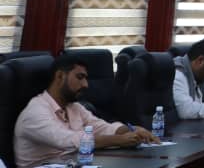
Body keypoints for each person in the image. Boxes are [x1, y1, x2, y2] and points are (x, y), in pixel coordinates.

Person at [14, 53, 156, 168]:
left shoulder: (73, 106)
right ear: (60, 76)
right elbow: (69, 140)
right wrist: (120, 140)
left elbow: (102, 127)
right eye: (80, 77)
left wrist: (131, 130)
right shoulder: (35, 111)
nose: (86, 85)